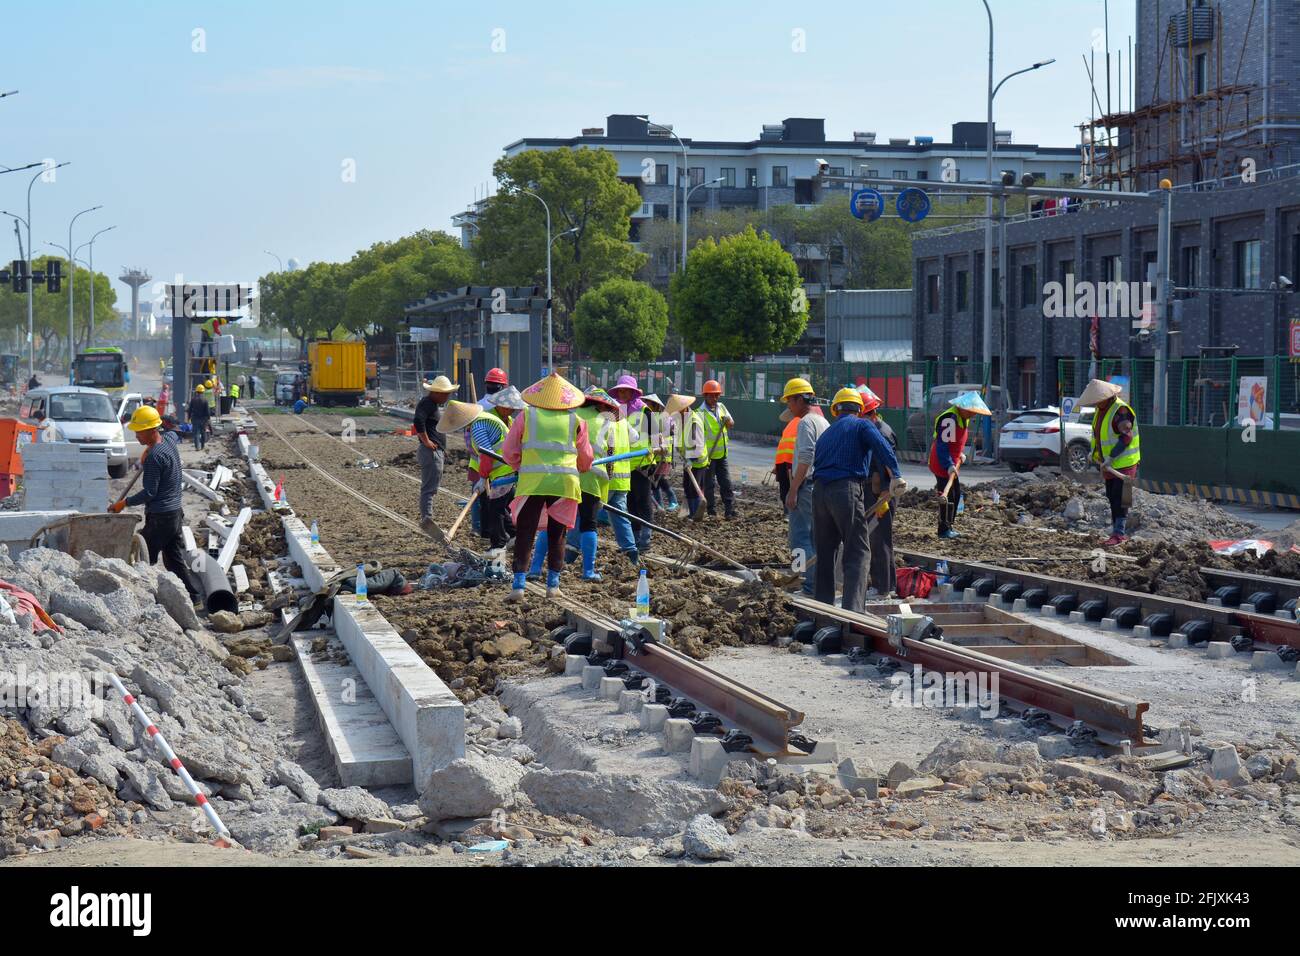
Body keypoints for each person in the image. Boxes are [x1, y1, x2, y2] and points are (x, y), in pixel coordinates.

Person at [503, 372, 594, 602]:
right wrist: (581, 467)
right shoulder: (576, 421)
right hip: (564, 483)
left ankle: (518, 587)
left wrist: (519, 466)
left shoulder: (526, 415)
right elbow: (585, 458)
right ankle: (553, 586)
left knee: (526, 533)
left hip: (533, 481)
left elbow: (509, 451)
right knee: (558, 534)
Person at [811, 388, 902, 613]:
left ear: (836, 410)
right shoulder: (862, 425)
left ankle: (822, 607)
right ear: (859, 409)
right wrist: (896, 475)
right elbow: (882, 447)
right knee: (858, 551)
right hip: (846, 490)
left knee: (825, 552)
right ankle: (853, 611)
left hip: (819, 493)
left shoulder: (827, 433)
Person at [109, 406, 204, 605]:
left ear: (152, 430)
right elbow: (174, 430)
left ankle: (142, 600)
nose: (136, 435)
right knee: (173, 559)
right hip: (175, 512)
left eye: (139, 432)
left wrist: (123, 504)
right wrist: (149, 447)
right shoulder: (168, 441)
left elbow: (149, 493)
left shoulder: (154, 458)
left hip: (161, 516)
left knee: (143, 557)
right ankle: (194, 597)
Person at [531, 386, 617, 582]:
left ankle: (535, 568)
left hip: (565, 475)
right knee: (589, 524)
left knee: (550, 523)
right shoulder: (607, 423)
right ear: (602, 405)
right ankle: (588, 571)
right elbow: (610, 458)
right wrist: (606, 485)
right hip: (592, 478)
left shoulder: (569, 417)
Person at [781, 378, 828, 596]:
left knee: (799, 538)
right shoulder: (822, 421)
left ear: (800, 399)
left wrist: (793, 488)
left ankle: (805, 584)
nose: (788, 406)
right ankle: (816, 583)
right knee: (815, 537)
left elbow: (806, 456)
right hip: (819, 486)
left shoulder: (806, 423)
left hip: (806, 486)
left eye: (790, 401)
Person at [1081, 378, 1140, 547]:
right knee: (1111, 496)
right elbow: (1100, 435)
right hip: (1108, 464)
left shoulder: (1120, 411)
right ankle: (1116, 532)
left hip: (1124, 463)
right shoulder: (1102, 410)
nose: (1095, 403)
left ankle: (1119, 534)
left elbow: (1126, 437)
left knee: (1121, 498)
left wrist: (1111, 457)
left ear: (1105, 397)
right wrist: (1095, 453)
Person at [928, 390, 993, 539]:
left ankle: (949, 526)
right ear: (962, 407)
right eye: (971, 411)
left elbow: (954, 442)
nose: (973, 415)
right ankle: (943, 530)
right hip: (942, 461)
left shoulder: (962, 418)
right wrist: (948, 465)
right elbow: (943, 446)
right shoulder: (949, 419)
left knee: (956, 495)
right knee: (948, 495)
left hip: (951, 460)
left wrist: (960, 454)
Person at [859, 386, 898, 596]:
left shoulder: (882, 433)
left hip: (881, 494)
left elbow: (888, 464)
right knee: (878, 537)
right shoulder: (875, 429)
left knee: (878, 539)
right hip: (876, 491)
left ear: (869, 413)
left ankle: (881, 587)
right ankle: (888, 586)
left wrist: (884, 492)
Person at [610, 375, 654, 556]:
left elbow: (655, 434)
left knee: (643, 500)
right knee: (630, 502)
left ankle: (646, 537)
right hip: (625, 463)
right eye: (620, 390)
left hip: (643, 463)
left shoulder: (644, 410)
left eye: (626, 390)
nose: (623, 393)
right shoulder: (615, 410)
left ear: (633, 392)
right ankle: (634, 536)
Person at [598, 379, 640, 564]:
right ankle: (631, 551)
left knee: (586, 515)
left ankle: (571, 551)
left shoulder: (603, 421)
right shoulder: (623, 421)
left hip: (607, 478)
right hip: (623, 479)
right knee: (620, 517)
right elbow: (635, 438)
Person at [413, 375, 457, 532]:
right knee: (429, 489)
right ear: (437, 393)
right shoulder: (428, 404)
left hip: (435, 451)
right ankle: (427, 520)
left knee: (431, 487)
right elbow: (418, 421)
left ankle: (427, 519)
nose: (447, 396)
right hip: (430, 452)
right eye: (446, 393)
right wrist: (426, 441)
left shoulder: (431, 404)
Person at [697, 379, 736, 519]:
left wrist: (727, 421)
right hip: (708, 455)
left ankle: (729, 510)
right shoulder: (699, 413)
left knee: (726, 482)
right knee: (709, 484)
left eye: (717, 395)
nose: (714, 398)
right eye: (711, 395)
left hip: (722, 454)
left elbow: (731, 423)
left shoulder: (722, 407)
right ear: (705, 395)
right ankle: (711, 511)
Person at [673, 393, 709, 515]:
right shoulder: (679, 419)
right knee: (687, 486)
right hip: (687, 459)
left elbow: (697, 445)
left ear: (685, 408)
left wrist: (691, 460)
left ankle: (695, 513)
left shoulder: (694, 421)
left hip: (697, 461)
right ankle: (689, 512)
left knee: (694, 488)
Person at [643, 393, 679, 511]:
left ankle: (673, 500)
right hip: (653, 455)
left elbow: (670, 432)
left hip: (663, 455)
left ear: (654, 405)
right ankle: (659, 505)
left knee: (660, 479)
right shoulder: (648, 417)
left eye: (648, 403)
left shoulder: (664, 417)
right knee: (654, 482)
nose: (645, 405)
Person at [187, 385, 211, 451]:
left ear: (196, 391)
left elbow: (190, 410)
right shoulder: (205, 400)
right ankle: (202, 446)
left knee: (196, 433)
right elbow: (207, 411)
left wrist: (188, 418)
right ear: (203, 392)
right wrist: (208, 418)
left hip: (195, 418)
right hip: (203, 419)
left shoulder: (193, 399)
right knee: (203, 433)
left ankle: (197, 447)